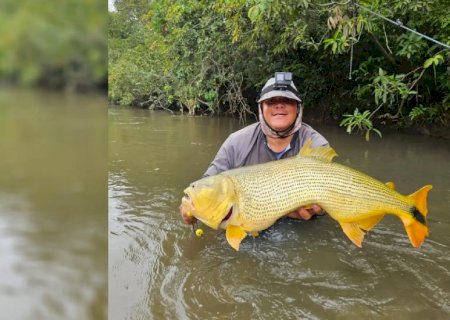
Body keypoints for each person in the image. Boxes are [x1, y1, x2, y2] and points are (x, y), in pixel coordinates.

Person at [180, 72, 328, 225]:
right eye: (271, 101)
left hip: (301, 227)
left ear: (297, 108)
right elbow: (208, 182)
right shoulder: (235, 143)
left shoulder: (316, 145)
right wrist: (191, 208)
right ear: (261, 108)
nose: (279, 105)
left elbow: (331, 198)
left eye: (287, 100)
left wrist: (320, 211)